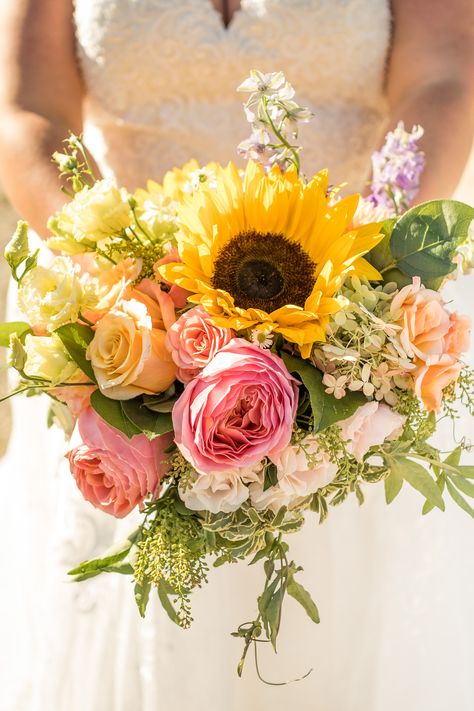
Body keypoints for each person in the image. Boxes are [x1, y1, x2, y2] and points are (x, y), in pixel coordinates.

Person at [0, 1, 473, 710]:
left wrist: (365, 285)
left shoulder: (358, 316)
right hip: (127, 335)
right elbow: (30, 109)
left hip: (351, 343)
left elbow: (443, 74)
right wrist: (127, 289)